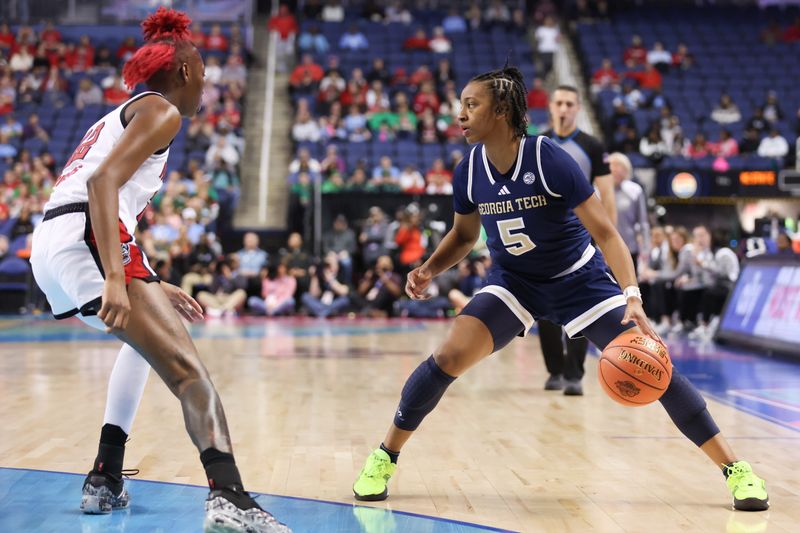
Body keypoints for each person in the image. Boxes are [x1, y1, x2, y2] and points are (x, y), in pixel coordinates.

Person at [351, 66, 769, 512]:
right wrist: (428, 268)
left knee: (653, 365)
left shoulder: (548, 158)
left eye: (471, 105)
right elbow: (464, 235)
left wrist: (632, 295)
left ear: (503, 110)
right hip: (514, 282)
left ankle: (735, 469)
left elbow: (607, 234)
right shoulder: (468, 169)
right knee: (448, 357)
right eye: (461, 106)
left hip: (579, 280)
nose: (460, 115)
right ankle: (385, 455)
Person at [28, 9, 290, 532]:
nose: (207, 88)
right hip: (88, 240)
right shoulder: (162, 111)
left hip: (51, 246)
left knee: (142, 348)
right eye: (206, 75)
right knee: (190, 373)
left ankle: (105, 475)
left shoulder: (118, 113)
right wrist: (115, 277)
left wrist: (148, 280)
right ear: (185, 71)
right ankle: (229, 498)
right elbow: (103, 186)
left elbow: (100, 191)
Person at [539, 84, 616, 396]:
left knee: (581, 307)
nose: (564, 108)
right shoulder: (537, 143)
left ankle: (574, 374)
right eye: (559, 102)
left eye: (570, 103)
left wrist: (608, 240)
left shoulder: (593, 145)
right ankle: (554, 370)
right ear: (551, 106)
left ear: (578, 108)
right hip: (544, 238)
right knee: (543, 309)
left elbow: (607, 194)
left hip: (580, 238)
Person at [609, 152, 649, 271]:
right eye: (613, 166)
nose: (616, 170)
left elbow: (643, 222)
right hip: (604, 250)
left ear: (626, 170)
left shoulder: (635, 190)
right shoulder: (597, 190)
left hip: (629, 247)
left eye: (619, 166)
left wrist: (646, 248)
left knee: (629, 287)